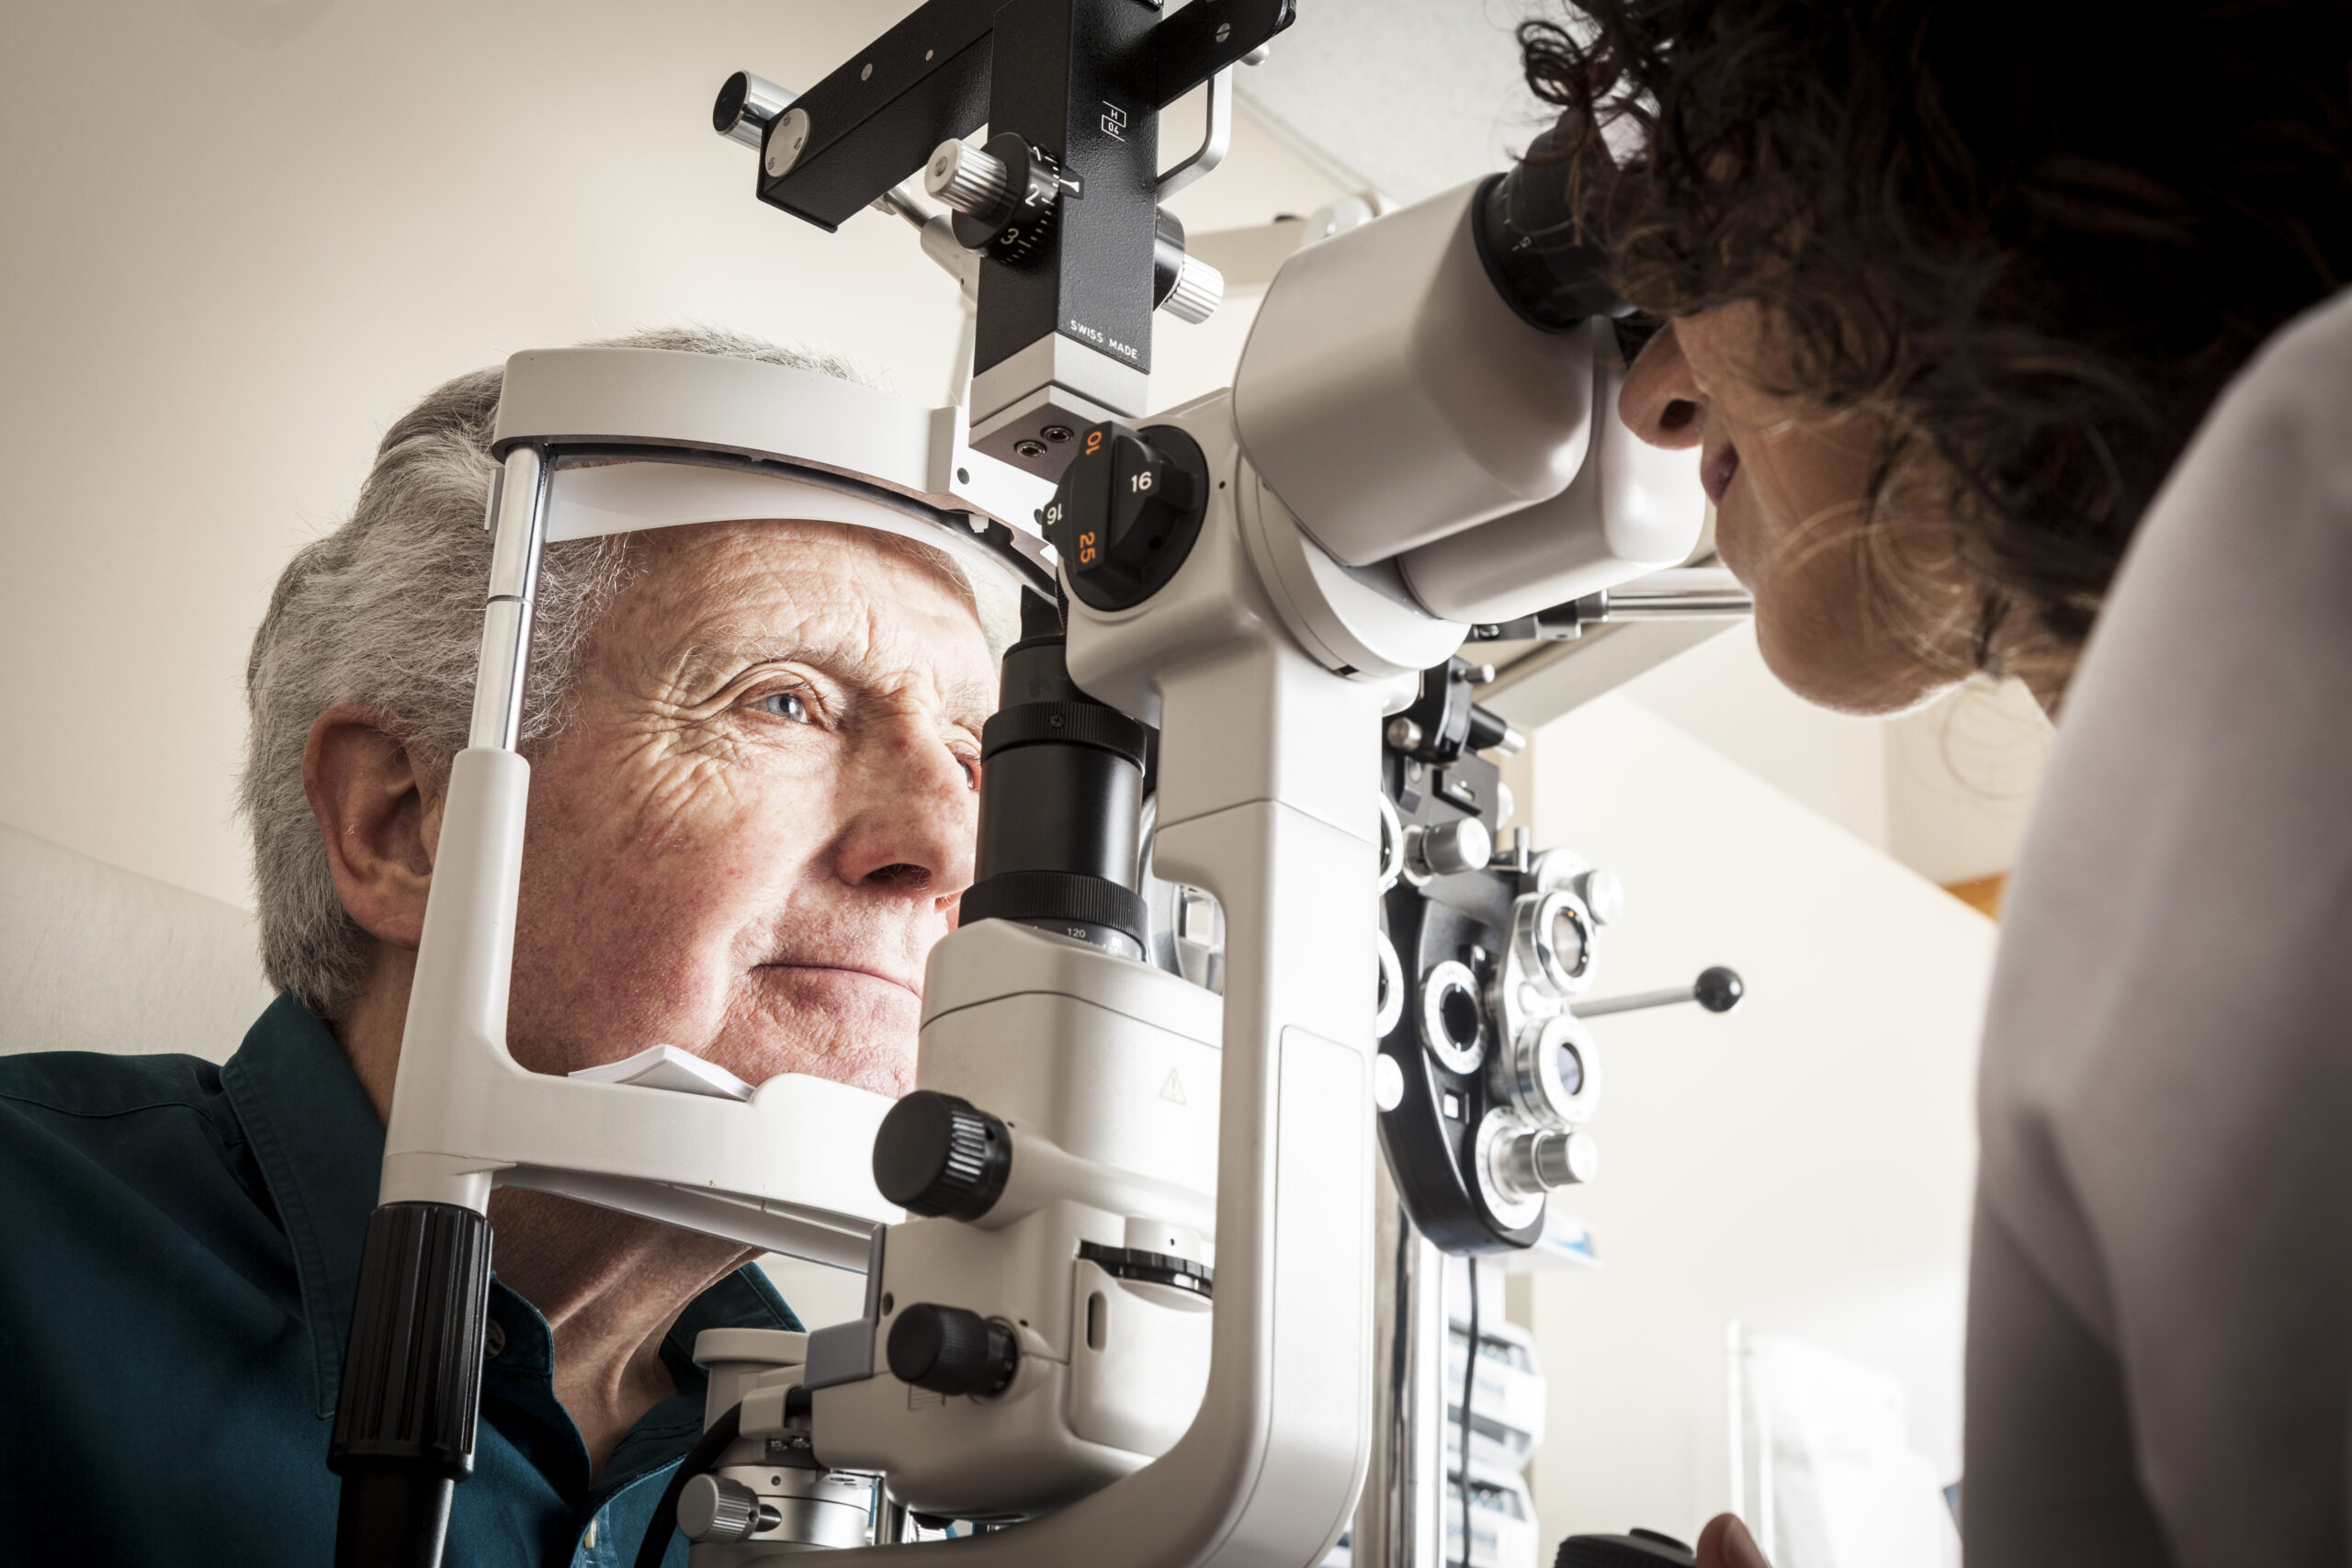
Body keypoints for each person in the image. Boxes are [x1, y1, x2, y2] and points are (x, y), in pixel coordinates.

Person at [1523, 2, 2352, 1564]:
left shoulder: (2322, 500)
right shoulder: (2165, 808)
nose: (1654, 394)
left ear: (1953, 173)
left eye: (1706, 248)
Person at [0, 328, 1007, 1564]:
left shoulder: (923, 1464)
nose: (947, 845)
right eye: (783, 700)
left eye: (972, 754)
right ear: (402, 823)